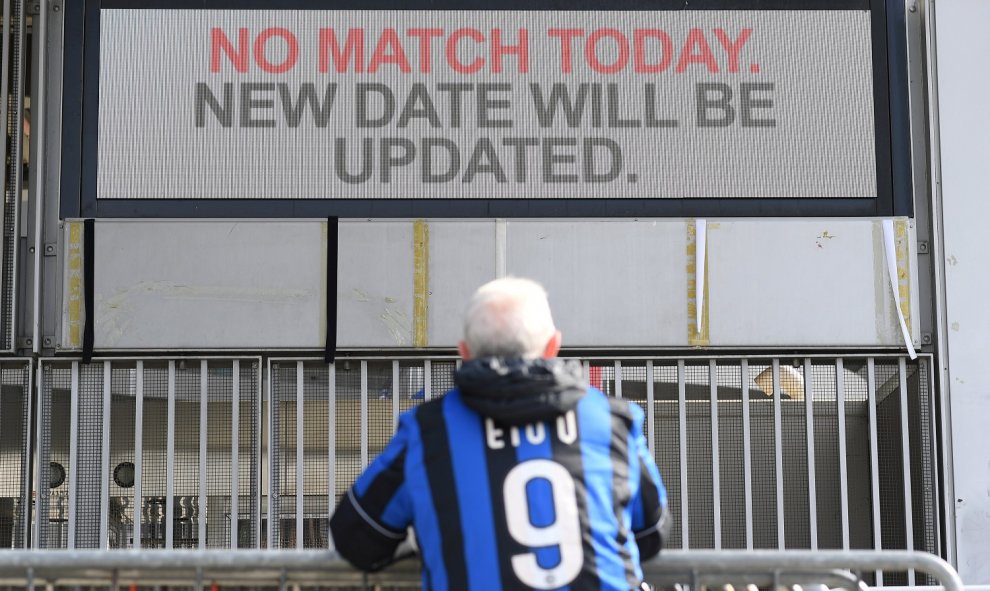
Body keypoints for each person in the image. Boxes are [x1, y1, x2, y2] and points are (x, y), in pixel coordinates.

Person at [330, 277, 670, 590]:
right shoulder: (612, 420)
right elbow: (652, 533)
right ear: (553, 346)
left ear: (464, 352)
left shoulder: (428, 429)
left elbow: (357, 538)